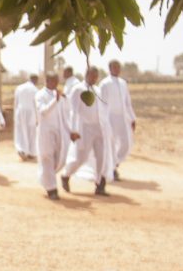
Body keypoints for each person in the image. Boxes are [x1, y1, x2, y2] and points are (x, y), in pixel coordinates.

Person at [60, 67, 115, 196]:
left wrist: (107, 127)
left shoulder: (97, 90)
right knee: (81, 157)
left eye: (96, 76)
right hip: (84, 128)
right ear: (87, 75)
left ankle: (100, 185)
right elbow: (73, 111)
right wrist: (73, 130)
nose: (94, 79)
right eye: (92, 76)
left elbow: (103, 110)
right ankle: (66, 175)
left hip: (99, 128)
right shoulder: (78, 89)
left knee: (101, 156)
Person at [35, 73, 71, 200]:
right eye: (53, 81)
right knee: (47, 158)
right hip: (46, 132)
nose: (56, 84)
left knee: (59, 158)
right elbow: (43, 111)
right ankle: (51, 189)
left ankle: (46, 179)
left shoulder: (59, 96)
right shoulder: (40, 95)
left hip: (59, 132)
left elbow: (65, 115)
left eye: (57, 81)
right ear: (47, 81)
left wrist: (71, 131)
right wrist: (55, 100)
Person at [100, 60, 136, 180]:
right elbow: (102, 104)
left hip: (122, 117)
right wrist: (103, 120)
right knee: (110, 144)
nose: (117, 69)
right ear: (110, 68)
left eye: (118, 67)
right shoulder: (104, 83)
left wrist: (132, 118)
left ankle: (114, 164)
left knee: (126, 144)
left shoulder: (123, 83)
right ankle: (112, 170)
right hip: (109, 117)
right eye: (114, 67)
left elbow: (127, 102)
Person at [13, 74, 39, 161]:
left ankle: (22, 150)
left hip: (20, 110)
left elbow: (16, 102)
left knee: (21, 131)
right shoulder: (35, 90)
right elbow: (37, 105)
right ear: (35, 80)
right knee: (32, 132)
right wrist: (38, 118)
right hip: (31, 112)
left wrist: (15, 114)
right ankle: (31, 152)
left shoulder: (19, 88)